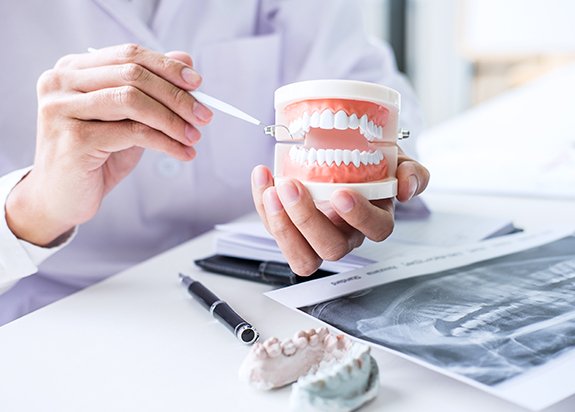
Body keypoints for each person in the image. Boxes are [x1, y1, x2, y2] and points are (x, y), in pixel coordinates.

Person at [0, 0, 429, 325]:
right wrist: (33, 209)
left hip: (261, 299)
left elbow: (369, 87)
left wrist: (373, 172)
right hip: (55, 319)